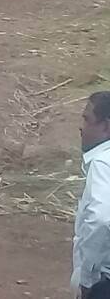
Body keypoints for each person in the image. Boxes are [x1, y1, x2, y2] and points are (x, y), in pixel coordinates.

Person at [73, 91, 110, 298]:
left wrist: (88, 278)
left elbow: (101, 220)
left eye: (87, 120)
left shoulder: (103, 163)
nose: (81, 127)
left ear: (106, 126)